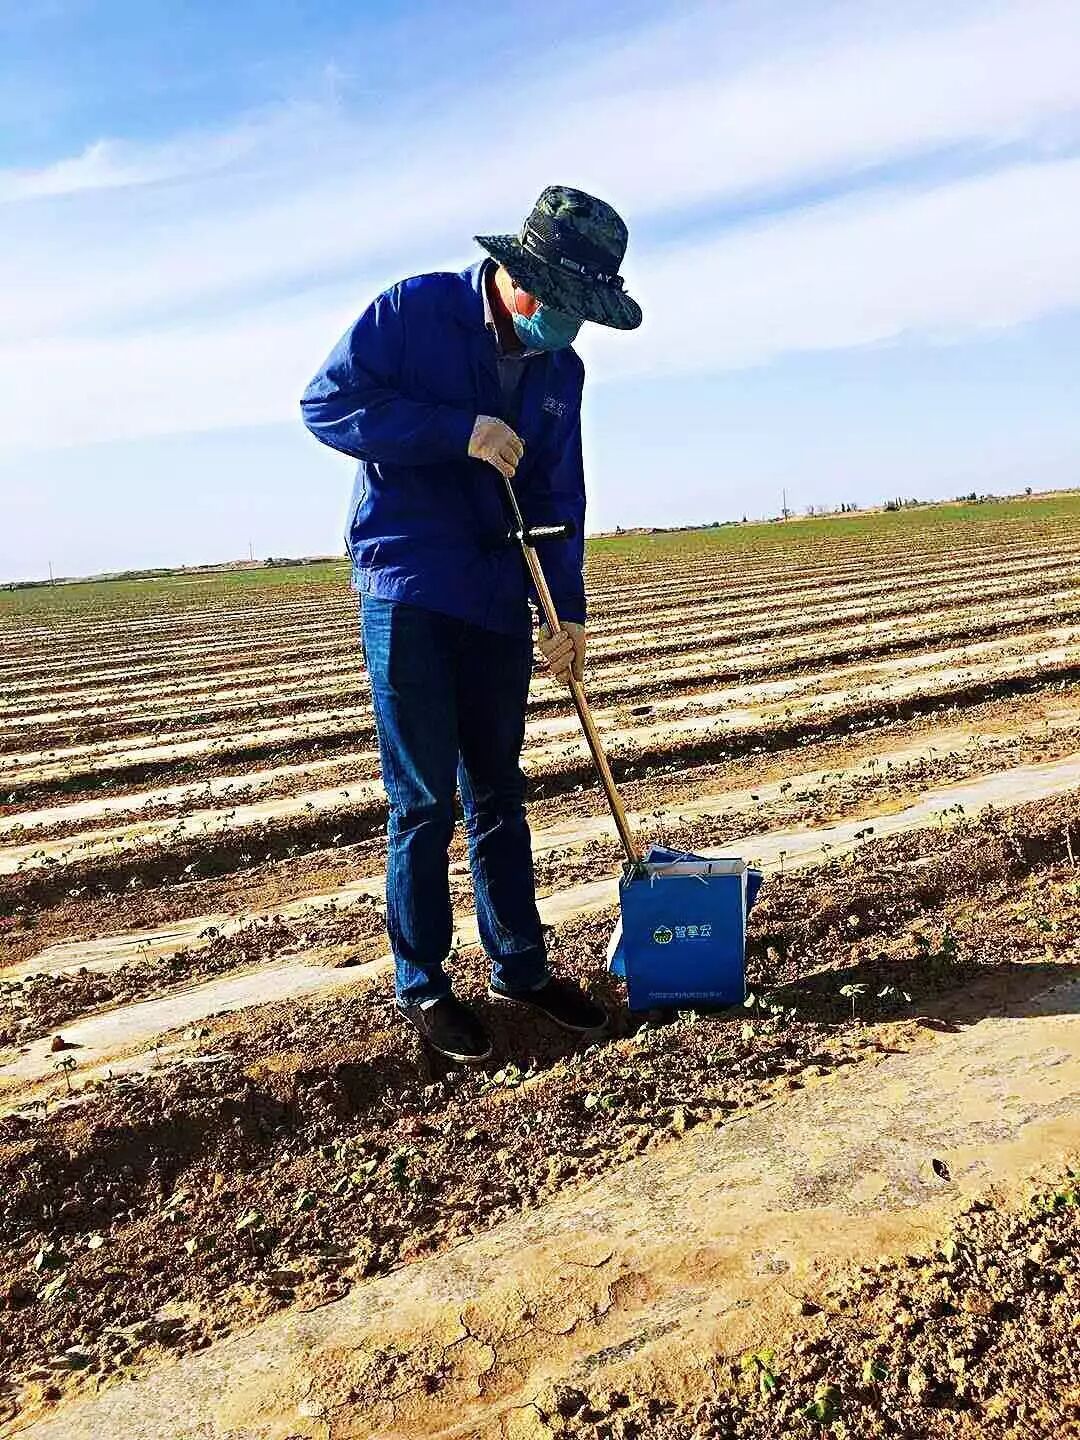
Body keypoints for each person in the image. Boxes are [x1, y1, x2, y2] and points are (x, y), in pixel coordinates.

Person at [301, 185, 642, 1062]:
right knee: (423, 799)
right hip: (410, 583)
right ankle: (422, 983)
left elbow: (559, 498)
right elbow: (327, 406)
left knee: (498, 790)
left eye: (582, 311)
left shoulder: (561, 371)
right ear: (517, 275)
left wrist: (567, 615)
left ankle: (519, 969)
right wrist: (458, 431)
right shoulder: (414, 311)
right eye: (559, 302)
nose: (566, 325)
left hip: (496, 591)